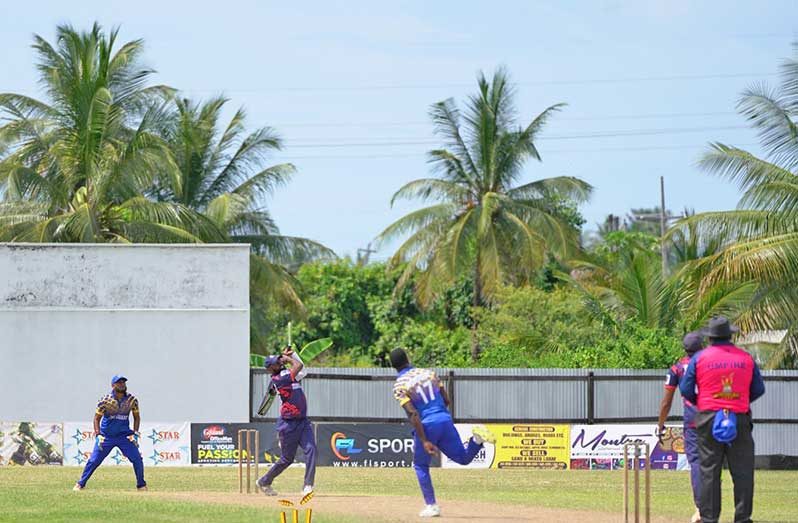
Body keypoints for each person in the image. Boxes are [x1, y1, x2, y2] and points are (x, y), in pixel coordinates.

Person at [390, 347, 496, 518]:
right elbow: (446, 400)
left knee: (420, 465)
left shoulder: (399, 385)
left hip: (427, 425)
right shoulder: (429, 373)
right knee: (463, 459)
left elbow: (413, 413)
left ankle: (431, 506)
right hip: (444, 419)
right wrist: (440, 417)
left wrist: (424, 440)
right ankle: (476, 440)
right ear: (408, 358)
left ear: (393, 366)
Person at [680, 317, 766, 523]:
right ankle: (743, 518)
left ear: (710, 338)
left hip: (708, 417)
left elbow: (685, 389)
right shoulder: (746, 358)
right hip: (738, 417)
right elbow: (758, 389)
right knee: (743, 471)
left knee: (709, 470)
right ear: (730, 335)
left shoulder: (699, 358)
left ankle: (709, 518)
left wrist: (703, 403)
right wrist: (740, 402)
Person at [657, 331, 705, 523]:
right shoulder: (710, 362)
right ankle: (708, 508)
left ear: (684, 348)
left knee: (696, 464)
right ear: (701, 346)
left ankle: (701, 509)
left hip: (693, 421)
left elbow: (666, 402)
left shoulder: (677, 368)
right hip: (714, 418)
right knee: (712, 463)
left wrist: (660, 425)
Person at [257, 347, 316, 496]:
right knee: (286, 459)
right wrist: (288, 358)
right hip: (288, 424)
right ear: (271, 368)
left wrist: (293, 355)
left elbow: (303, 371)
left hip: (303, 422)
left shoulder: (287, 374)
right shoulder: (278, 379)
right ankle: (264, 481)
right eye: (277, 362)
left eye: (279, 359)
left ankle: (308, 485)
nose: (280, 362)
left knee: (311, 450)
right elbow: (298, 366)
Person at [73, 375, 146, 491]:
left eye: (123, 382)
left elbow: (137, 417)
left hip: (124, 436)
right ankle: (80, 484)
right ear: (113, 385)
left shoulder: (132, 400)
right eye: (119, 383)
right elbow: (96, 418)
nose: (122, 384)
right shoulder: (105, 401)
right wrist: (98, 435)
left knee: (137, 459)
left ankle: (141, 485)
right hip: (106, 436)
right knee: (94, 461)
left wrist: (135, 433)